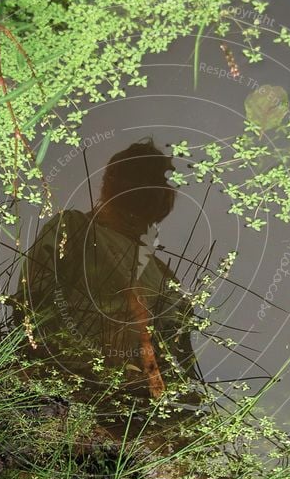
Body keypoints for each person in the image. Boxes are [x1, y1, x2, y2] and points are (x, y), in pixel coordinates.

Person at [15, 138, 197, 399]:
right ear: (118, 183)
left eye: (167, 183)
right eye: (157, 180)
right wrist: (68, 374)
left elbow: (179, 363)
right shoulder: (74, 228)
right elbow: (31, 306)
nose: (166, 191)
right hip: (67, 393)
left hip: (139, 409)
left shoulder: (166, 277)